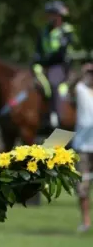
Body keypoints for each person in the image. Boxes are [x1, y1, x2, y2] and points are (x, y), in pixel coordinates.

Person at [32, 0, 79, 128]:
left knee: (54, 83)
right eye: (48, 14)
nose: (49, 17)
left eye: (51, 14)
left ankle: (56, 116)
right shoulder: (44, 32)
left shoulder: (66, 30)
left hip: (60, 65)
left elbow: (61, 52)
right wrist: (37, 60)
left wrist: (45, 61)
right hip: (45, 64)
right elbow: (38, 49)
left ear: (59, 16)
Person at [72, 62, 93, 233]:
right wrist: (81, 72)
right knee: (83, 186)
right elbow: (70, 84)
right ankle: (86, 222)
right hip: (83, 147)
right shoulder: (80, 89)